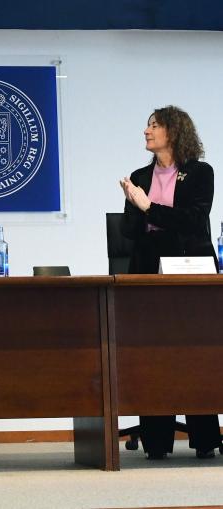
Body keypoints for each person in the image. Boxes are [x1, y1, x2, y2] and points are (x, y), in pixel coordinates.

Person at [119, 105, 222, 460]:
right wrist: (134, 203)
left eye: (154, 126)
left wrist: (149, 209)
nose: (146, 131)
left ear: (173, 132)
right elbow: (128, 231)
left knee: (195, 353)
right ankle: (156, 441)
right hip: (148, 270)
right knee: (153, 356)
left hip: (190, 272)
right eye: (147, 125)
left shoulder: (200, 173)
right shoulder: (139, 175)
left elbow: (194, 221)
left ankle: (206, 438)